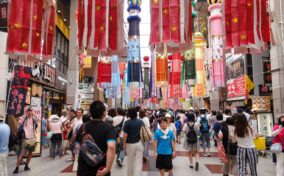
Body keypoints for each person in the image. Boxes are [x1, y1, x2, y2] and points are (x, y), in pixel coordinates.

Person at [77, 101, 116, 176]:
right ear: (104, 113)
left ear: (90, 113)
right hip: (100, 170)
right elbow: (111, 146)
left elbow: (78, 145)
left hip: (83, 169)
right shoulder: (109, 128)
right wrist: (108, 168)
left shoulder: (83, 127)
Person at [13, 107, 40, 174]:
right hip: (25, 139)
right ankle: (16, 168)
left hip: (32, 139)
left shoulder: (33, 119)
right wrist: (25, 115)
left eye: (30, 111)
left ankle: (26, 166)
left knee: (30, 154)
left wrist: (33, 113)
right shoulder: (24, 118)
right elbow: (19, 122)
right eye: (28, 111)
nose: (29, 112)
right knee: (22, 154)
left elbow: (38, 119)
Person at [123, 107, 144, 176]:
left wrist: (124, 144)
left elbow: (125, 135)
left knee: (130, 161)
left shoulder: (127, 122)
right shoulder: (140, 121)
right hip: (139, 143)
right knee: (139, 162)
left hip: (130, 144)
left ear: (128, 114)